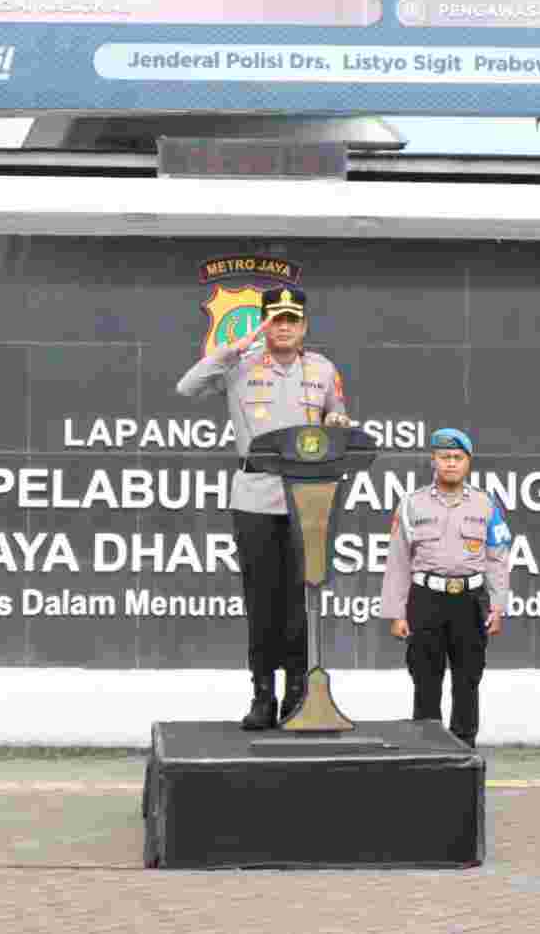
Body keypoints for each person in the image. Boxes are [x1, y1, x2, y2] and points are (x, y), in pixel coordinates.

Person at [175, 286, 351, 730]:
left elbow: (338, 415)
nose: (285, 326)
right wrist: (229, 349)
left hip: (306, 494)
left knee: (298, 598)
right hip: (255, 494)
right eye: (277, 319)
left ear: (304, 325)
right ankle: (262, 694)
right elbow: (187, 387)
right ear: (265, 324)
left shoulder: (323, 369)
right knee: (262, 600)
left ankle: (297, 692)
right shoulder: (241, 365)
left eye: (293, 319)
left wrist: (336, 421)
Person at [380, 428, 513, 748]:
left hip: (470, 600)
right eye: (444, 457)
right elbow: (398, 560)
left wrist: (498, 605)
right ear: (434, 461)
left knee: (468, 679)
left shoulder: (486, 504)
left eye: (457, 458)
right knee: (426, 679)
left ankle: (464, 749)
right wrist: (396, 612)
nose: (451, 463)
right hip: (426, 599)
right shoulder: (412, 504)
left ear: (468, 462)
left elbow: (497, 557)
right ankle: (426, 749)